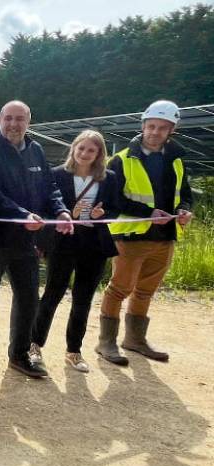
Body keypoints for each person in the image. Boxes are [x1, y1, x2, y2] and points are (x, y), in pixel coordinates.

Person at [0, 100, 74, 381]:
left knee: (28, 299)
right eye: (9, 118)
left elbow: (50, 187)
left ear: (29, 121)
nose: (14, 124)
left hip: (26, 241)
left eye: (20, 119)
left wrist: (61, 210)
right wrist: (21, 213)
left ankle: (19, 355)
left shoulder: (36, 150)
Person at [97, 100, 193, 364]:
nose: (155, 132)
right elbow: (112, 199)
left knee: (146, 291)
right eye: (151, 126)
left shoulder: (176, 160)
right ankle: (106, 342)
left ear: (171, 129)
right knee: (119, 289)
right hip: (131, 236)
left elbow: (184, 194)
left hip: (164, 238)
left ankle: (135, 340)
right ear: (143, 126)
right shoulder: (121, 160)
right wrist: (147, 213)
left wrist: (185, 210)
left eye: (162, 128)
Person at [31, 130, 121, 372]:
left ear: (99, 154)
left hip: (94, 243)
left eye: (91, 150)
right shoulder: (58, 174)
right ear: (73, 148)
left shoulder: (109, 178)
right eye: (81, 148)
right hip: (64, 242)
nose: (84, 154)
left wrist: (102, 215)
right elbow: (47, 208)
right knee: (52, 294)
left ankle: (74, 351)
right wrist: (69, 213)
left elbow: (115, 208)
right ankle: (35, 345)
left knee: (83, 299)